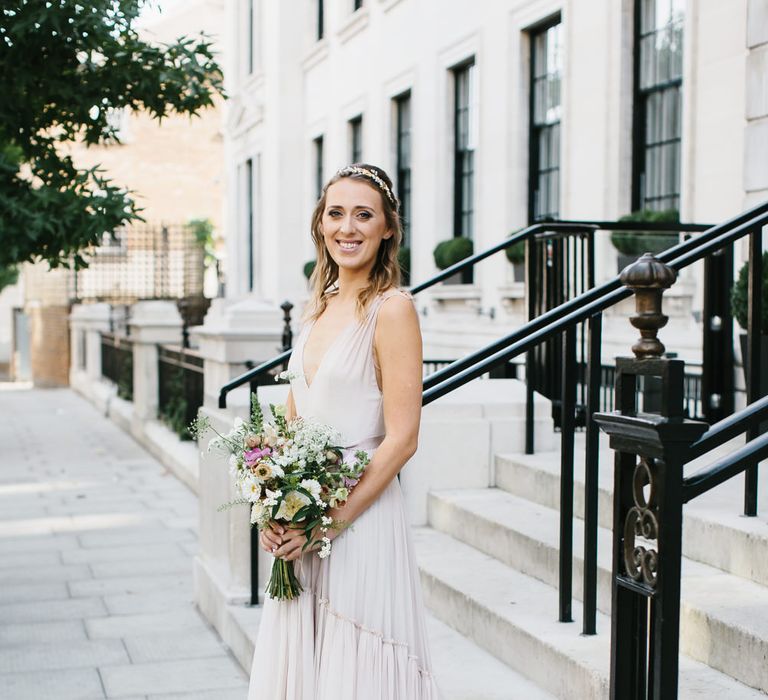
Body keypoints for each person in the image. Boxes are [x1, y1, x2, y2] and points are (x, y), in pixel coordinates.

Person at [247, 164, 441, 699]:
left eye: (363, 215)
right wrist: (271, 506)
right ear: (320, 225)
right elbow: (290, 422)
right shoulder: (316, 308)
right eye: (336, 214)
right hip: (305, 519)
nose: (347, 228)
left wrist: (329, 524)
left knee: (357, 674)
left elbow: (403, 438)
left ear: (387, 230)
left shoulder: (393, 309)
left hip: (360, 520)